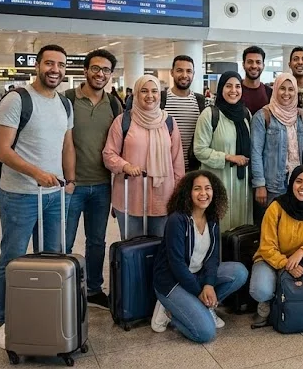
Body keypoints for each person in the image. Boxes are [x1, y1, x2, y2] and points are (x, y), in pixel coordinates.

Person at [0, 44, 76, 349]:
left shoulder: (64, 105)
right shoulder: (17, 100)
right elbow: (0, 149)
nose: (55, 70)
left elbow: (68, 145)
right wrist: (36, 173)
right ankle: (5, 321)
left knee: (53, 257)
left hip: (55, 194)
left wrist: (70, 180)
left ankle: (48, 313)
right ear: (37, 66)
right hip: (20, 195)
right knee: (12, 258)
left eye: (61, 65)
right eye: (49, 63)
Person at [151, 170, 249, 342]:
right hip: (172, 281)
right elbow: (177, 264)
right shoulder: (177, 220)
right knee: (206, 333)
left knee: (239, 272)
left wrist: (209, 285)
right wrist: (199, 291)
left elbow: (212, 258)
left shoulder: (212, 218)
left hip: (198, 275)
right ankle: (170, 312)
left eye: (207, 188)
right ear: (188, 192)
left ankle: (205, 307)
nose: (203, 193)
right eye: (197, 189)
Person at [62, 49, 120, 310]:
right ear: (85, 71)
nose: (100, 74)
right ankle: (62, 287)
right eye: (95, 68)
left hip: (102, 185)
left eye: (106, 70)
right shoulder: (67, 99)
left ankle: (94, 288)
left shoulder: (115, 104)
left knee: (96, 240)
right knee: (64, 240)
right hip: (70, 184)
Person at [249, 166, 303, 328]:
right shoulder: (276, 207)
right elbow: (267, 247)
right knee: (260, 289)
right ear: (291, 184)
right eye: (299, 181)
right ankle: (268, 303)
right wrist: (285, 264)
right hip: (271, 259)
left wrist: (302, 251)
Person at [104, 75, 186, 237]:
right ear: (135, 94)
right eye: (144, 91)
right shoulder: (123, 121)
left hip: (163, 198)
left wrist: (178, 194)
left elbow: (177, 162)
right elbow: (109, 154)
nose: (150, 95)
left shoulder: (169, 122)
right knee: (132, 251)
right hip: (130, 198)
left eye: (154, 91)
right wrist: (125, 166)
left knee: (160, 250)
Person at [194, 71, 253, 231]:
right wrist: (227, 157)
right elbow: (199, 150)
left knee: (241, 227)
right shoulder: (210, 115)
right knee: (219, 225)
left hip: (242, 185)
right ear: (221, 89)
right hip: (218, 182)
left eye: (238, 86)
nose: (233, 90)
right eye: (228, 86)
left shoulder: (246, 114)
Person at [251, 73, 303, 224]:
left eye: (291, 89)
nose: (286, 93)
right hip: (273, 185)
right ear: (275, 90)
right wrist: (260, 184)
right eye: (282, 88)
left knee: (291, 228)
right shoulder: (263, 116)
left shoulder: (299, 117)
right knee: (271, 228)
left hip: (295, 183)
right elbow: (256, 152)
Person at [162, 55, 208, 171]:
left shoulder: (201, 102)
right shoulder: (161, 100)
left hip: (193, 168)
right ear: (172, 72)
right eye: (179, 70)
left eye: (189, 71)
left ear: (193, 74)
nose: (184, 75)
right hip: (166, 168)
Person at [240, 46, 272, 115]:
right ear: (243, 65)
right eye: (250, 62)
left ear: (263, 65)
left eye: (258, 62)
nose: (254, 66)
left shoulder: (270, 93)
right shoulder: (235, 90)